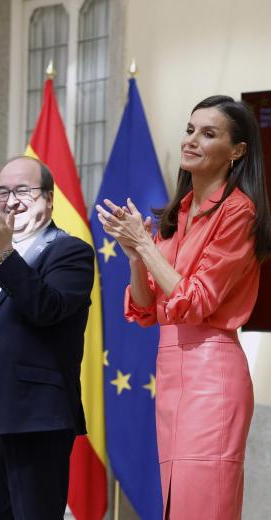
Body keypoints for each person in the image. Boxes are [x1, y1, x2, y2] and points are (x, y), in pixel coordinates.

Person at [96, 95, 271, 519]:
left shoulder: (239, 213)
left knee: (203, 507)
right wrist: (136, 255)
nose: (191, 140)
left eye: (208, 134)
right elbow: (145, 309)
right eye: (190, 129)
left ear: (238, 152)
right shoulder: (179, 213)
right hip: (171, 370)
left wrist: (144, 243)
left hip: (212, 373)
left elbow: (194, 300)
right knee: (178, 508)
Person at [0, 156, 94, 519]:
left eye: (23, 191)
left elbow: (46, 308)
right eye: (3, 192)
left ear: (49, 199)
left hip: (35, 417)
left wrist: (5, 251)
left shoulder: (70, 251)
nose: (11, 200)